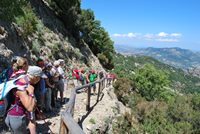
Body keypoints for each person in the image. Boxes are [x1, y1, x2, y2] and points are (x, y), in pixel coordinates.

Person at [5, 65, 43, 134]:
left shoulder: (24, 78)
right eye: (39, 77)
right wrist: (31, 92)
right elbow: (30, 108)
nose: (40, 79)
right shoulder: (22, 86)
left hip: (19, 115)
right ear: (35, 77)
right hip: (17, 117)